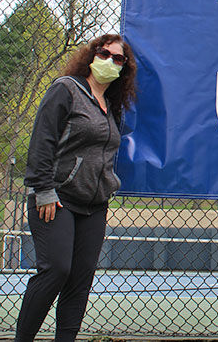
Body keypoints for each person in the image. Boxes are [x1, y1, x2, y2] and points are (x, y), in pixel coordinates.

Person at [15, 34, 137, 341]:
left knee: (80, 282)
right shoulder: (66, 89)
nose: (109, 61)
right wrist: (43, 189)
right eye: (104, 53)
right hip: (56, 198)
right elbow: (42, 141)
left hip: (94, 205)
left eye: (118, 58)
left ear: (124, 68)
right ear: (92, 55)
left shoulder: (111, 106)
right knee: (56, 270)